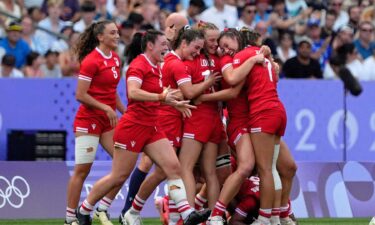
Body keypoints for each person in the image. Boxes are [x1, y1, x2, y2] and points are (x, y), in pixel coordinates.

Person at [76, 29, 209, 225]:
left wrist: (173, 103)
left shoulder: (157, 67)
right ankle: (84, 209)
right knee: (119, 176)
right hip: (133, 126)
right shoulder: (138, 65)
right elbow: (133, 93)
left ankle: (186, 213)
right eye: (163, 44)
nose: (167, 48)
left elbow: (154, 97)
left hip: (152, 126)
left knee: (173, 167)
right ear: (150, 45)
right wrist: (161, 97)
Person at [119, 14, 189, 221]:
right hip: (158, 113)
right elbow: (140, 88)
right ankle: (127, 209)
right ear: (172, 28)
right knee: (146, 166)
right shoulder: (161, 53)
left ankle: (182, 209)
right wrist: (165, 96)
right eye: (183, 28)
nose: (186, 32)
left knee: (168, 166)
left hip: (167, 108)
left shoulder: (171, 50)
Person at [64, 20, 126, 225]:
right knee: (82, 170)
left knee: (124, 166)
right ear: (100, 37)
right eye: (112, 33)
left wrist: (125, 112)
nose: (117, 36)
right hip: (88, 121)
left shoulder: (116, 59)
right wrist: (106, 108)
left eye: (117, 33)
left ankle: (101, 208)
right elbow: (80, 95)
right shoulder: (91, 61)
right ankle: (70, 217)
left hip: (108, 121)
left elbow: (112, 92)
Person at [224, 29, 287, 225]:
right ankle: (276, 217)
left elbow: (232, 79)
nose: (227, 50)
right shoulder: (267, 59)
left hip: (262, 113)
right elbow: (275, 77)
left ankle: (264, 219)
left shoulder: (244, 55)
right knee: (273, 169)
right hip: (278, 110)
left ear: (241, 42)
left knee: (265, 170)